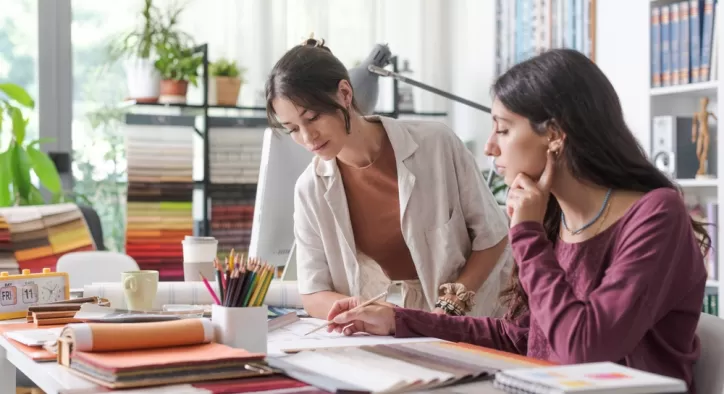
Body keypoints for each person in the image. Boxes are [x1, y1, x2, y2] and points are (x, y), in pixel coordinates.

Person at [325, 49, 709, 391]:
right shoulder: (555, 217)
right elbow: (521, 337)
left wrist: (526, 234)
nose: (491, 146)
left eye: (503, 129)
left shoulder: (656, 215)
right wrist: (399, 320)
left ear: (555, 134)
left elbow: (583, 348)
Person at [264, 37, 514, 319]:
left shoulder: (435, 144)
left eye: (312, 118)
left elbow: (493, 237)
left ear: (345, 94)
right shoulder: (310, 189)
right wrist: (365, 311)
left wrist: (450, 307)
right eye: (293, 129)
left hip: (483, 313)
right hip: (404, 325)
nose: (307, 137)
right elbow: (313, 292)